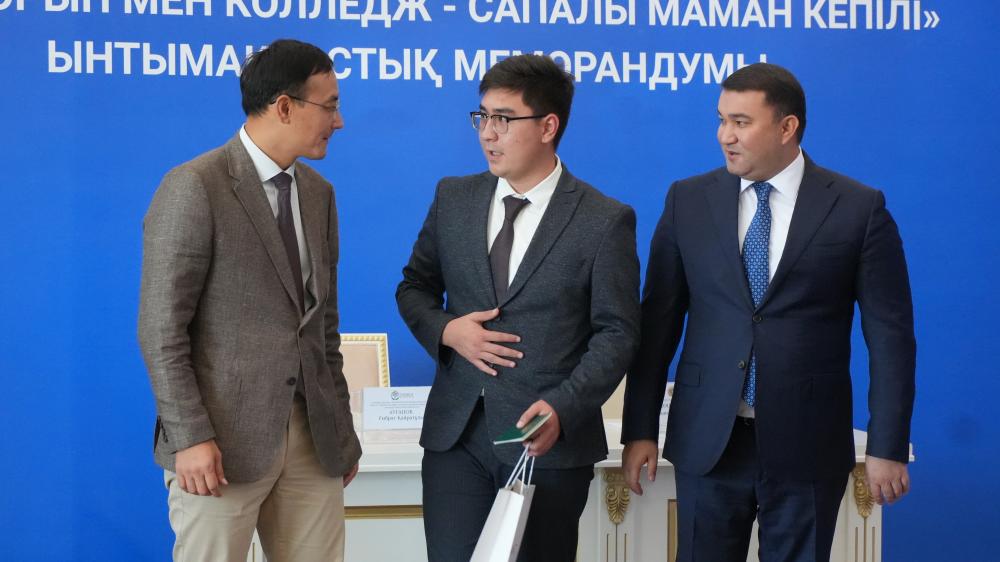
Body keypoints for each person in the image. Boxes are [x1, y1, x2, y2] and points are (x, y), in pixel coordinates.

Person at [621, 62, 916, 562]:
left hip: (808, 443)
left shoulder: (858, 208)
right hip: (709, 441)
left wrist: (886, 445)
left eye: (741, 122)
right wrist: (639, 429)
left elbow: (891, 338)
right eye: (721, 120)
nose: (725, 136)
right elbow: (657, 327)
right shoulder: (686, 201)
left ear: (787, 127)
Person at [396, 54, 640, 561]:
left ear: (549, 126)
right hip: (456, 437)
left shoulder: (603, 219)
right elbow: (414, 287)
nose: (488, 133)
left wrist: (563, 407)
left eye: (504, 119)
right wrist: (448, 331)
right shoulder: (454, 197)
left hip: (545, 441)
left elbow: (617, 333)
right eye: (482, 117)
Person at [138, 38, 361, 562]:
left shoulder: (320, 193)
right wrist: (190, 437)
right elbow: (160, 329)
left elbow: (323, 328)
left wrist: (341, 431)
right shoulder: (194, 185)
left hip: (313, 443)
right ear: (284, 106)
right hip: (218, 446)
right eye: (329, 106)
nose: (339, 121)